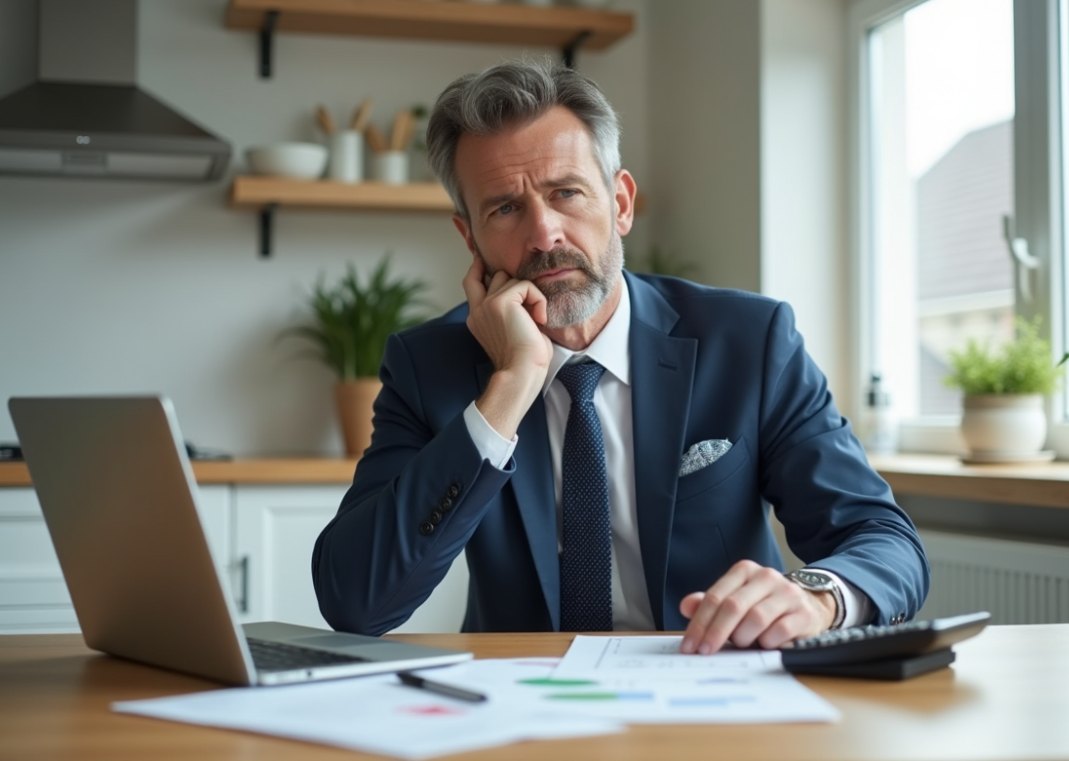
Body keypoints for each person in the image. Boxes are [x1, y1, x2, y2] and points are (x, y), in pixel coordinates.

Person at [312, 59, 928, 653]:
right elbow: (356, 601)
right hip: (526, 704)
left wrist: (818, 599)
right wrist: (511, 384)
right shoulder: (429, 368)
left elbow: (882, 539)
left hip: (715, 688)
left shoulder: (750, 340)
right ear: (469, 237)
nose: (545, 234)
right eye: (505, 208)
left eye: (567, 193)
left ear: (622, 203)